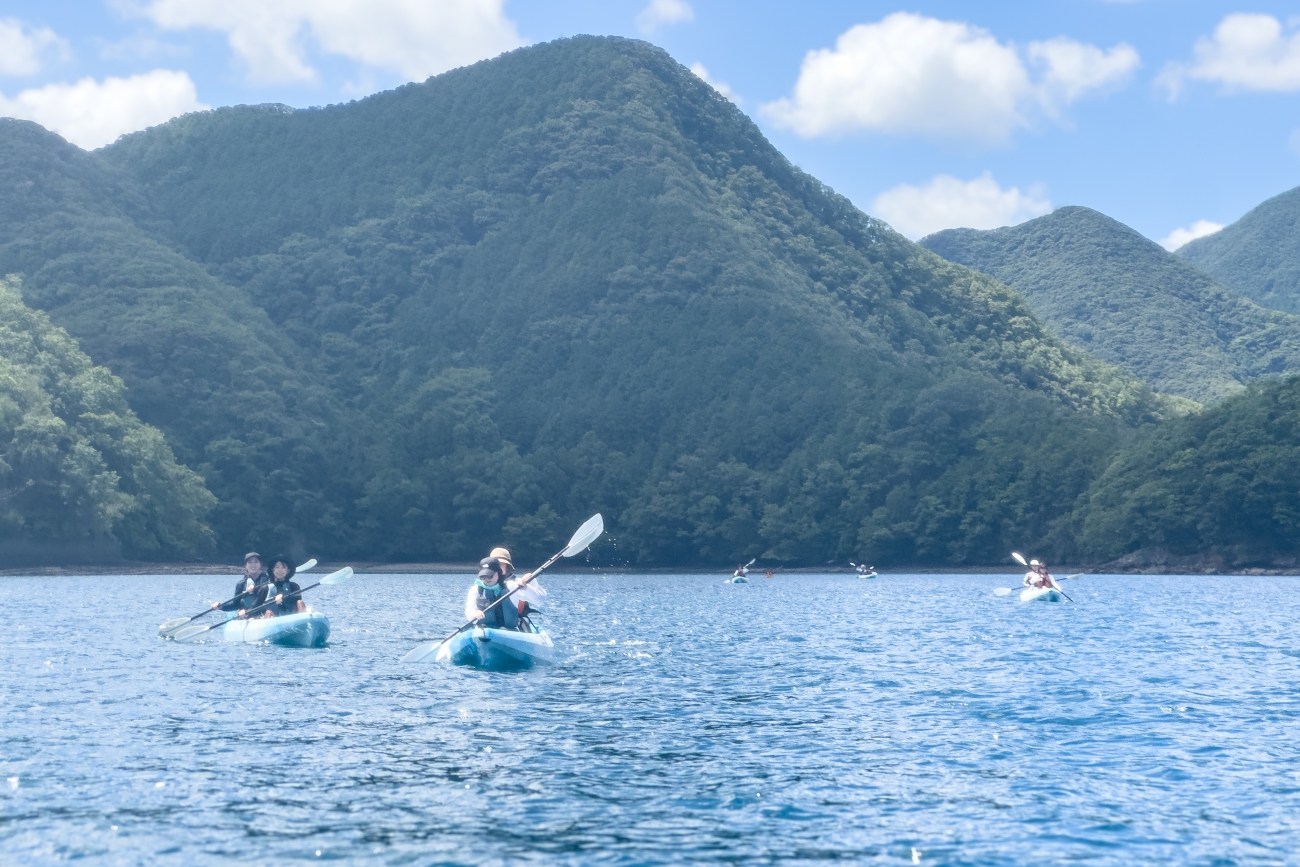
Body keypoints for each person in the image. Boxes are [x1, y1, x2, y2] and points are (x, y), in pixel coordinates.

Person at [465, 553, 546, 631]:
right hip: (484, 631)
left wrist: (526, 588)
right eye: (483, 576)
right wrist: (474, 614)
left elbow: (539, 600)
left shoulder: (511, 586)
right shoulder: (475, 590)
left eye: (490, 576)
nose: (487, 579)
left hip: (510, 631)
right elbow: (469, 609)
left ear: (499, 573)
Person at [213, 552, 269, 618]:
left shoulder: (269, 580)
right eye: (250, 562)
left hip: (265, 614)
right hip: (248, 615)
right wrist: (221, 606)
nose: (253, 565)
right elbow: (235, 604)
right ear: (245, 565)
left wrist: (255, 589)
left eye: (256, 562)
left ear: (260, 564)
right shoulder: (241, 584)